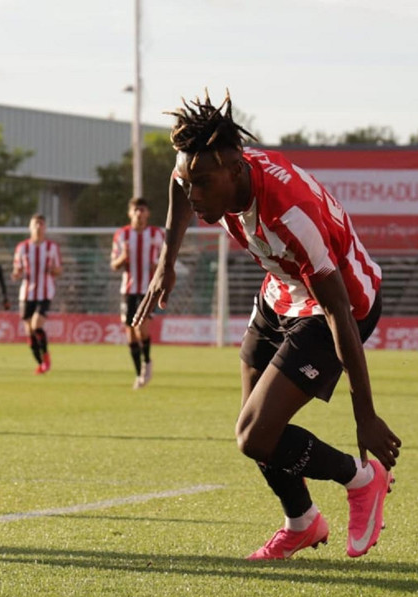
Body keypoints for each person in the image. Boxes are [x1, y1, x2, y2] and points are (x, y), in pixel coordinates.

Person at [134, 90, 400, 560]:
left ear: (235, 171)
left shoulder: (290, 214)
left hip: (338, 307)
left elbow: (339, 311)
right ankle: (302, 522)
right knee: (260, 433)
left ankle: (362, 479)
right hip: (280, 293)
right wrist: (165, 263)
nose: (193, 193)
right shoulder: (206, 166)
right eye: (190, 180)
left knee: (255, 435)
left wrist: (365, 414)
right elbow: (177, 184)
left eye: (203, 183)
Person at [110, 197, 164, 389]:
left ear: (147, 213)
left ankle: (147, 361)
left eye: (142, 210)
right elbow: (114, 265)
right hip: (128, 290)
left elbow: (165, 261)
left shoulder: (157, 235)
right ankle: (139, 374)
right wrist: (123, 257)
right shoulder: (121, 235)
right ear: (130, 213)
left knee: (141, 328)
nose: (139, 214)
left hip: (147, 291)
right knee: (131, 335)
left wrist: (159, 267)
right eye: (136, 210)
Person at [12, 214, 62, 374]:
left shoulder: (52, 247)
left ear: (45, 227)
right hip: (26, 294)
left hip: (45, 292)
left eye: (41, 224)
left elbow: (59, 269)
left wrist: (53, 270)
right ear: (30, 227)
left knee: (36, 324)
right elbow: (16, 270)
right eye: (35, 224)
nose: (38, 227)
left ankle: (46, 356)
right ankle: (40, 363)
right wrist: (16, 273)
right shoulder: (22, 248)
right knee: (29, 331)